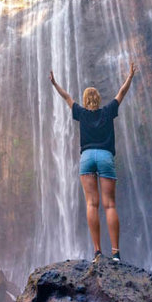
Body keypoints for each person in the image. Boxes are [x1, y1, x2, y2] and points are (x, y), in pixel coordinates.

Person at [49, 62, 136, 263]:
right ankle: (115, 253)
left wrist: (54, 83)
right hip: (105, 156)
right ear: (98, 100)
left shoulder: (81, 113)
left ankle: (97, 252)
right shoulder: (108, 111)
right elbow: (121, 93)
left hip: (87, 158)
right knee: (110, 205)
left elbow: (67, 97)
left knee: (91, 204)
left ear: (86, 101)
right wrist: (129, 77)